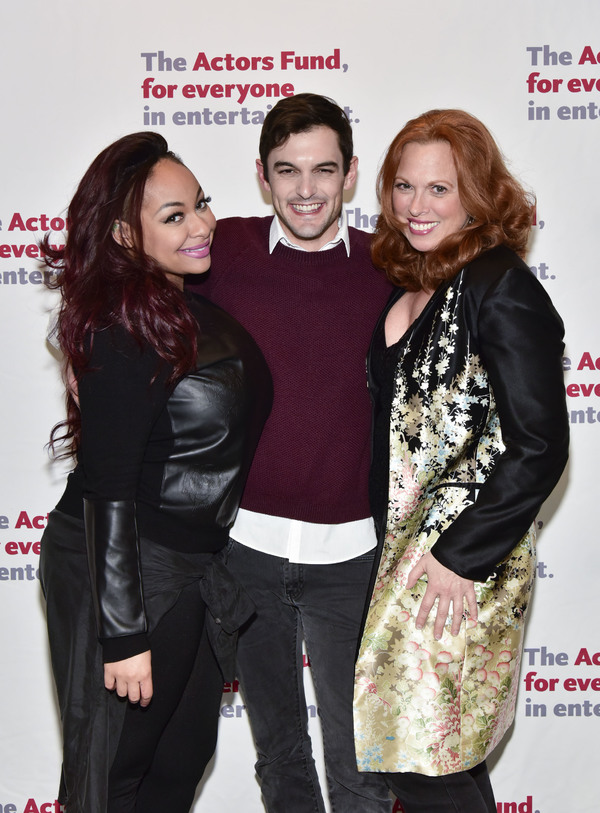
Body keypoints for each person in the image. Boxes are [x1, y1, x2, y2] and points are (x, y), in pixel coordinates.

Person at [39, 131, 272, 813]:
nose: (202, 225)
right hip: (126, 566)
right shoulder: (123, 325)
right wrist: (124, 632)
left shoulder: (180, 304)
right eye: (174, 216)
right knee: (109, 776)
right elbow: (108, 486)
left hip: (190, 570)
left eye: (201, 203)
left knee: (179, 762)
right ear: (122, 233)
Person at [353, 109, 569, 812]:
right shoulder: (414, 279)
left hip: (459, 569)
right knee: (429, 753)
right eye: (403, 187)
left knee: (427, 764)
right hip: (404, 554)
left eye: (439, 190)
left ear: (477, 194)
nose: (416, 207)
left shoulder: (500, 285)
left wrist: (460, 555)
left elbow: (540, 444)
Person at [188, 93, 393, 812]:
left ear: (352, 174)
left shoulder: (390, 266)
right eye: (288, 170)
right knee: (279, 755)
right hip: (244, 551)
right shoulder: (222, 255)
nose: (306, 189)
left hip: (355, 561)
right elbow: (127, 284)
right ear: (261, 176)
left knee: (363, 764)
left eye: (323, 169)